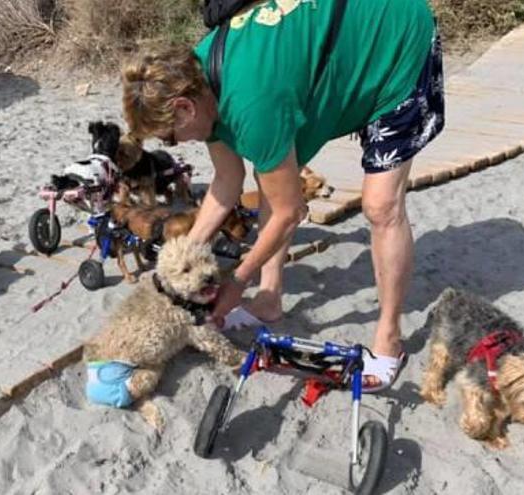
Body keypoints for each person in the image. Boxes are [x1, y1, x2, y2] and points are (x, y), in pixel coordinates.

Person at [120, 0, 445, 392]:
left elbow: (291, 210)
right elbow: (227, 182)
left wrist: (238, 280)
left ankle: (389, 338)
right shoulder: (199, 73)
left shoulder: (250, 103)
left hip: (397, 43)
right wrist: (178, 260)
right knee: (270, 171)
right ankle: (269, 298)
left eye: (170, 136)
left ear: (184, 108)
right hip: (340, 40)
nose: (176, 144)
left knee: (381, 206)